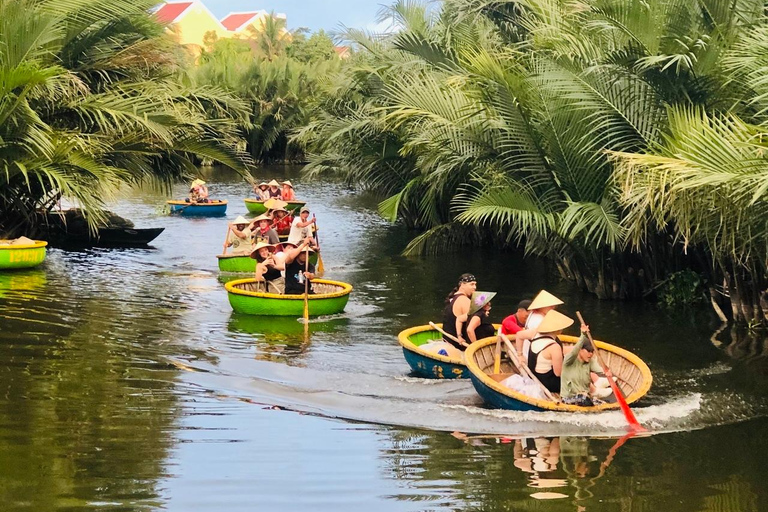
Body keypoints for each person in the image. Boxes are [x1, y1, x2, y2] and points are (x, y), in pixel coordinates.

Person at [560, 322, 613, 406]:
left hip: (586, 397)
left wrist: (607, 372)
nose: (590, 354)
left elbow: (600, 370)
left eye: (592, 352)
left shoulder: (590, 361)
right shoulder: (569, 360)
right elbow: (575, 350)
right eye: (588, 351)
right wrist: (583, 334)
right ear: (580, 350)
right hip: (569, 398)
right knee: (584, 398)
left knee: (605, 405)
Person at [527, 309, 571, 394]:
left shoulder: (535, 335)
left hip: (533, 377)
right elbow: (558, 373)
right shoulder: (554, 347)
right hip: (546, 383)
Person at [515, 290, 564, 361]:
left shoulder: (534, 314)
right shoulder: (539, 321)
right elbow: (519, 335)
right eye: (550, 305)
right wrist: (520, 355)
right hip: (535, 357)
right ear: (542, 306)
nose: (553, 307)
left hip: (534, 352)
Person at [442, 273, 477, 350]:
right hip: (458, 346)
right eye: (471, 284)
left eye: (475, 284)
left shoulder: (452, 297)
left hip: (447, 341)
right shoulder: (464, 300)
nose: (475, 287)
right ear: (462, 285)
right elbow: (472, 327)